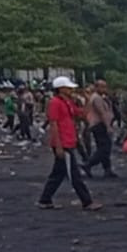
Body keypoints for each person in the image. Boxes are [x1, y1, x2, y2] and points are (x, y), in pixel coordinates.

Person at [38, 77, 98, 211]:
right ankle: (87, 201)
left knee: (58, 174)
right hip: (63, 143)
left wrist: (88, 100)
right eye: (69, 88)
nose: (72, 90)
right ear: (61, 89)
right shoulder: (55, 103)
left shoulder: (67, 102)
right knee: (74, 175)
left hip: (69, 141)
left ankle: (45, 199)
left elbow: (81, 114)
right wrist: (58, 145)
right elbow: (53, 124)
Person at [84, 79, 119, 179]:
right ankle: (89, 164)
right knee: (105, 148)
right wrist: (108, 126)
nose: (105, 89)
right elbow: (102, 113)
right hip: (100, 125)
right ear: (96, 87)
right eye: (102, 87)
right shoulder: (97, 99)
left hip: (98, 124)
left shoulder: (99, 97)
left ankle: (107, 170)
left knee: (103, 147)